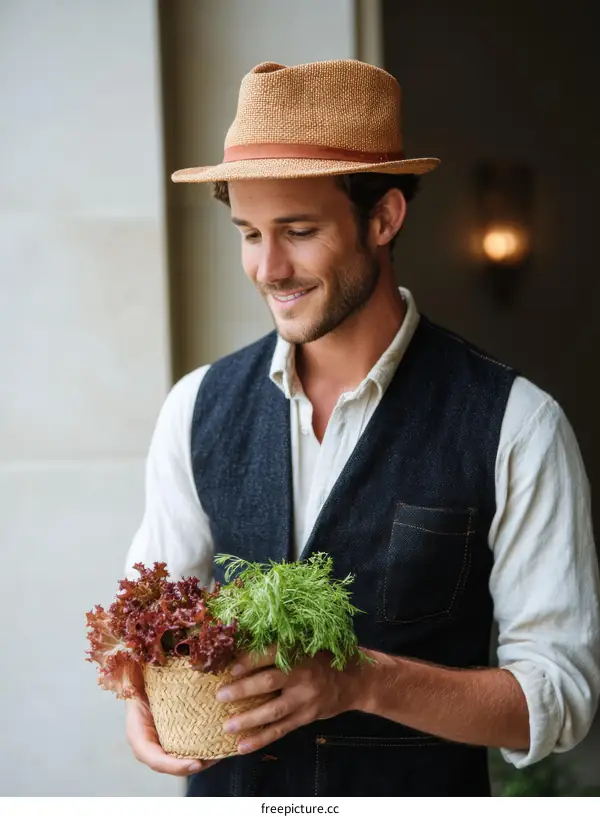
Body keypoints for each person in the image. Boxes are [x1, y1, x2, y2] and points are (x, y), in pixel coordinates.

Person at [124, 59, 600, 797]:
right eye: (248, 232)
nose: (268, 267)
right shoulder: (195, 406)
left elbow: (561, 698)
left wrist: (362, 680)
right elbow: (149, 615)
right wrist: (139, 696)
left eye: (299, 230)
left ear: (383, 218)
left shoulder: (517, 423)